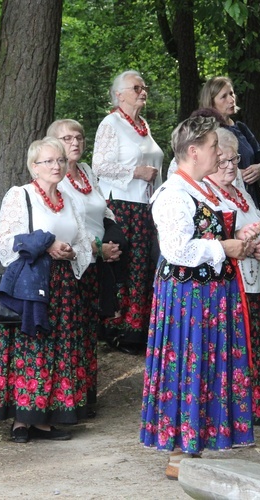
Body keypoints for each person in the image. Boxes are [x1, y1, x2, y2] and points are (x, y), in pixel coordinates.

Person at [140, 116, 260, 480]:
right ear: (193, 152)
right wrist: (225, 246)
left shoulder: (203, 188)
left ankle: (194, 444)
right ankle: (179, 449)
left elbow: (209, 230)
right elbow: (176, 249)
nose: (218, 152)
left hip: (210, 294)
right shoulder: (174, 193)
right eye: (212, 147)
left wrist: (240, 236)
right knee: (187, 363)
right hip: (188, 297)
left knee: (204, 364)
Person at [0, 136, 92, 443]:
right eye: (48, 161)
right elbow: (6, 242)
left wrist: (72, 253)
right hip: (33, 283)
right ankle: (22, 420)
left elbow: (84, 242)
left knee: (59, 349)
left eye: (60, 160)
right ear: (33, 167)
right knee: (29, 347)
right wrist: (47, 246)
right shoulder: (20, 195)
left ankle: (48, 419)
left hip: (63, 285)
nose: (56, 166)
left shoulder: (70, 199)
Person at [47, 119, 123, 415]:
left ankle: (86, 394)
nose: (75, 143)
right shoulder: (56, 178)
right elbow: (66, 224)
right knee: (72, 331)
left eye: (79, 137)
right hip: (72, 261)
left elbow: (102, 207)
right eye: (67, 138)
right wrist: (96, 247)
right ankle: (69, 399)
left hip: (96, 263)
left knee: (90, 331)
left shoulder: (87, 172)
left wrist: (113, 239)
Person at [92, 69, 164, 352]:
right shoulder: (111, 123)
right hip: (120, 205)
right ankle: (115, 328)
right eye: (136, 88)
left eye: (144, 87)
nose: (143, 91)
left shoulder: (143, 125)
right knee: (125, 266)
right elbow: (99, 165)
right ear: (119, 94)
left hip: (145, 206)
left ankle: (138, 329)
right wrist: (136, 171)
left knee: (142, 266)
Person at [207, 127, 260, 425]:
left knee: (253, 345)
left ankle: (253, 410)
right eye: (223, 161)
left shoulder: (241, 190)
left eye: (234, 160)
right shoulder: (205, 195)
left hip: (252, 282)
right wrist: (240, 244)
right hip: (227, 287)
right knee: (231, 349)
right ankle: (229, 414)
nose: (230, 167)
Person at [199, 76, 260, 215]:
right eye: (223, 97)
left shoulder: (241, 128)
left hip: (249, 201)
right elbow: (201, 169)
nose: (231, 100)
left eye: (231, 94)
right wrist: (236, 174)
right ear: (211, 102)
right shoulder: (206, 132)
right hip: (221, 203)